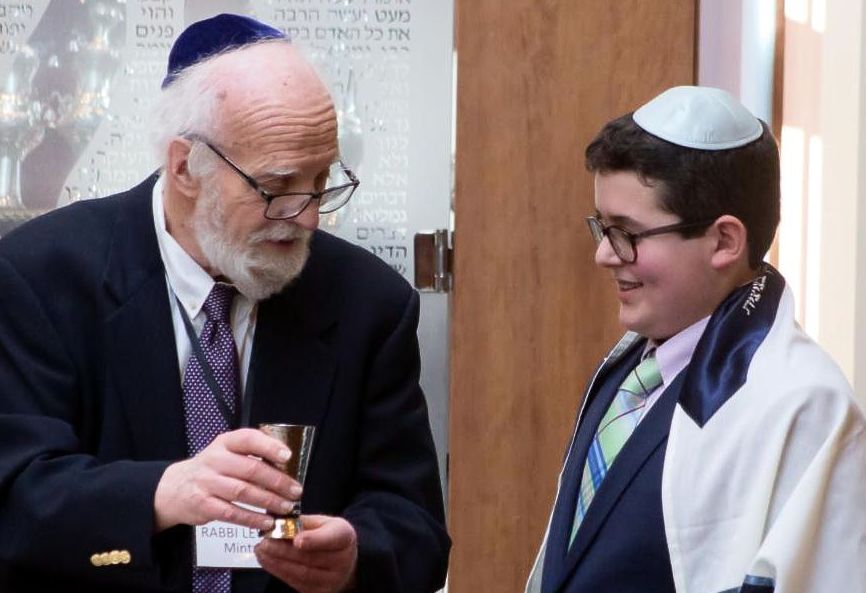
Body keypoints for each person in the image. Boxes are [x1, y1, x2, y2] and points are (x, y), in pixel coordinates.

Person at [0, 13, 449, 593]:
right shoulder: (40, 277)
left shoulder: (366, 301)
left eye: (321, 182)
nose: (308, 218)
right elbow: (17, 497)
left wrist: (357, 557)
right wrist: (162, 493)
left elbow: (415, 527)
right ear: (185, 167)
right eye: (277, 187)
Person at [525, 86, 866, 593]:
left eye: (627, 234)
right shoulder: (629, 368)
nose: (604, 255)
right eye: (603, 227)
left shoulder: (804, 404)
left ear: (724, 241)